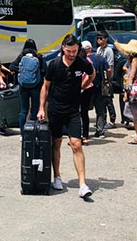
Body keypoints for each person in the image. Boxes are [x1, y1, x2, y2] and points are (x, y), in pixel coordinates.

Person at [37, 34, 94, 199]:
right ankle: (57, 177)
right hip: (55, 110)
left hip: (73, 111)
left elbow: (92, 74)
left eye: (75, 51)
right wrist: (41, 108)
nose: (72, 54)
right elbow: (45, 87)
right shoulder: (54, 65)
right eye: (69, 51)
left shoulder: (81, 63)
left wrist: (82, 87)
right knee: (56, 143)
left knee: (76, 144)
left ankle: (82, 184)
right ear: (63, 48)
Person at [9, 39, 47, 135]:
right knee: (34, 109)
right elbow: (44, 70)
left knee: (23, 111)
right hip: (36, 86)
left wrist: (22, 71)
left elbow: (11, 67)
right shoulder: (39, 57)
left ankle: (23, 133)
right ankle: (32, 131)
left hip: (23, 87)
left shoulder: (21, 56)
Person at [115, 38, 137, 144]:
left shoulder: (135, 60)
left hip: (134, 91)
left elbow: (132, 76)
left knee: (135, 116)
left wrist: (127, 90)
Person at [83, 40, 109, 138]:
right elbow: (109, 70)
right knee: (100, 110)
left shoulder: (83, 59)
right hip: (99, 87)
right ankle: (100, 131)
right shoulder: (100, 58)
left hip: (87, 88)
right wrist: (108, 81)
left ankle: (83, 130)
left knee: (84, 110)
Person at [95, 30, 117, 128]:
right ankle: (103, 120)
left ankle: (112, 120)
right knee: (101, 101)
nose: (99, 40)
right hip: (100, 78)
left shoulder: (109, 50)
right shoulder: (99, 49)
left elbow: (110, 66)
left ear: (106, 39)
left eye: (101, 38)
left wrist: (108, 80)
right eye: (98, 38)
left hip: (106, 78)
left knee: (108, 100)